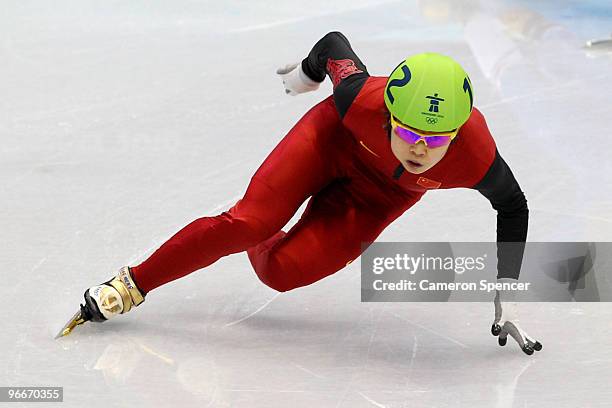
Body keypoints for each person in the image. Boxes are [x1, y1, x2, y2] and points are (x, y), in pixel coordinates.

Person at [57, 32, 541, 355]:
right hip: (329, 143)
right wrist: (309, 74)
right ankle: (132, 283)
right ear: (389, 114)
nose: (421, 149)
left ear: (457, 134)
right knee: (251, 223)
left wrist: (508, 292)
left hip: (378, 197)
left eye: (437, 140)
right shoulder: (359, 97)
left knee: (281, 272)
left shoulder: (476, 156)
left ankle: (256, 218)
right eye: (411, 132)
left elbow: (513, 207)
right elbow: (333, 44)